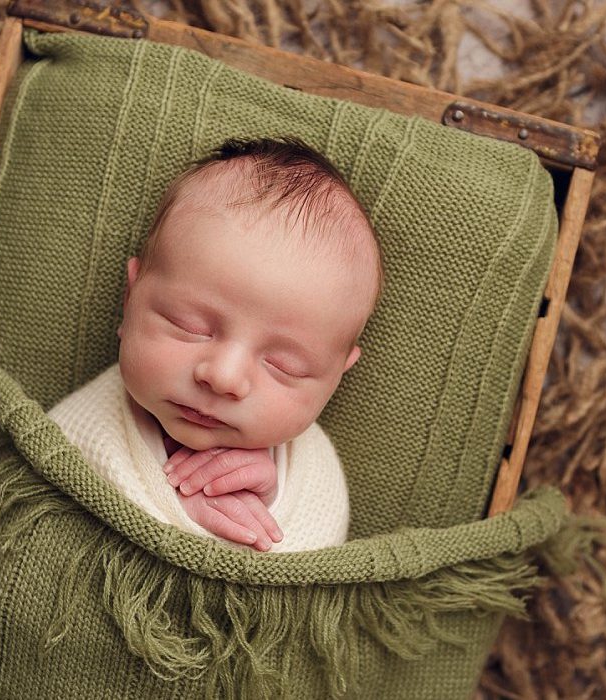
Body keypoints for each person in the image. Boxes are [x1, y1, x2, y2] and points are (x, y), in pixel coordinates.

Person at [47, 137, 383, 552]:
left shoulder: (309, 475)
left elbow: (308, 581)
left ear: (335, 378)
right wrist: (178, 510)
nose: (223, 376)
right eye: (189, 326)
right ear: (130, 300)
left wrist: (266, 516)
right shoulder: (81, 430)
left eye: (283, 365)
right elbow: (31, 509)